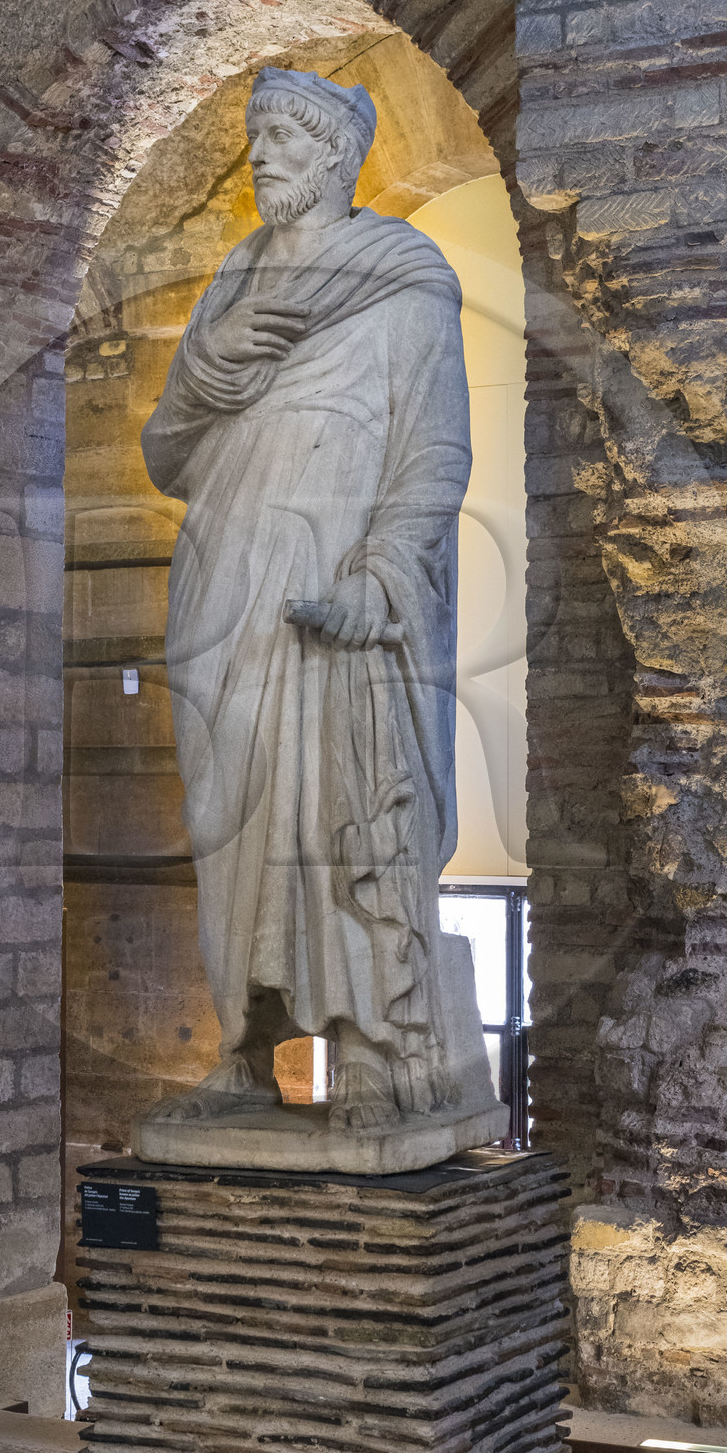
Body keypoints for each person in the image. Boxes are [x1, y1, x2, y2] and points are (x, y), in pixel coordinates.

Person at [140, 66, 483, 1132]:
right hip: (225, 582)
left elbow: (434, 452)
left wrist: (379, 578)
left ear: (336, 155)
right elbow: (165, 454)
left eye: (285, 136)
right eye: (259, 135)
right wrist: (203, 371)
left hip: (336, 588)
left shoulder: (403, 276)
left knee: (338, 813)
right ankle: (248, 1047)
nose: (263, 155)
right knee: (230, 819)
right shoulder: (232, 283)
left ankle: (373, 1051)